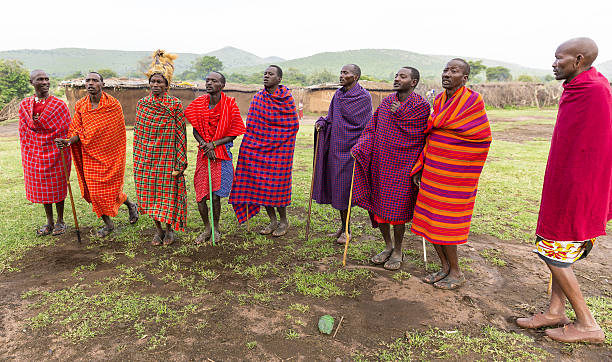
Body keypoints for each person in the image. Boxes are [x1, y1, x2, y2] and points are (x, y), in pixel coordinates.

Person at [516, 37, 610, 344]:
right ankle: (556, 311)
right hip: (565, 181)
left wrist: (581, 188)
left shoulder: (595, 91)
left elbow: (598, 148)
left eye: (560, 58)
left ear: (579, 59)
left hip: (579, 186)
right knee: (558, 247)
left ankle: (588, 324)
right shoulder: (579, 87)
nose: (554, 63)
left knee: (554, 252)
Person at [411, 59, 491, 289]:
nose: (447, 74)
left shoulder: (472, 100)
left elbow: (481, 136)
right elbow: (433, 133)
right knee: (430, 221)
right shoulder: (439, 99)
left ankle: (456, 272)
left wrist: (452, 155)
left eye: (453, 71)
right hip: (434, 170)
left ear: (464, 78)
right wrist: (422, 165)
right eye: (445, 70)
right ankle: (444, 267)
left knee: (446, 222)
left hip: (455, 175)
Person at [352, 67, 430, 270]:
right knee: (379, 208)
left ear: (413, 82)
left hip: (404, 166)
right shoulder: (386, 103)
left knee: (397, 211)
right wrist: (361, 147)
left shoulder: (421, 106)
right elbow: (372, 128)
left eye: (402, 76)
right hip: (381, 164)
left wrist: (402, 113)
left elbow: (421, 134)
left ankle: (398, 250)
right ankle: (387, 246)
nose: (396, 79)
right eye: (396, 75)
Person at [229, 65, 299, 236]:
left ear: (279, 79)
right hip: (258, 150)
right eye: (265, 74)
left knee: (278, 186)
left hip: (280, 151)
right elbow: (252, 126)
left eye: (271, 74)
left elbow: (293, 126)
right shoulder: (258, 98)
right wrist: (249, 147)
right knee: (262, 185)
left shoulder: (286, 99)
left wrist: (276, 142)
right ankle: (272, 221)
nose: (266, 76)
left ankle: (283, 221)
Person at [133, 50, 188, 246]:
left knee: (167, 194)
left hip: (168, 158)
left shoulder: (174, 104)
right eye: (153, 82)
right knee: (150, 194)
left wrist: (180, 160)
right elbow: (139, 134)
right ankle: (158, 230)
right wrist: (138, 159)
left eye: (160, 82)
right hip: (147, 158)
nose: (156, 85)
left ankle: (169, 230)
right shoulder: (143, 104)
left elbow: (181, 133)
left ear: (167, 85)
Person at [184, 71, 246, 244]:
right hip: (204, 153)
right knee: (201, 195)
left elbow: (233, 133)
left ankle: (216, 227)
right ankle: (207, 228)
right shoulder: (198, 104)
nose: (209, 83)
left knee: (216, 194)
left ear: (222, 85)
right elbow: (195, 129)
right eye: (207, 80)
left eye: (214, 81)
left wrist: (215, 144)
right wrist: (205, 145)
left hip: (221, 152)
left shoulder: (229, 105)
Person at [313, 64, 372, 244]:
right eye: (340, 72)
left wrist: (359, 146)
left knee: (346, 190)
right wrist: (322, 123)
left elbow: (366, 126)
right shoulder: (338, 94)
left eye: (345, 73)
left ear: (355, 77)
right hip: (336, 148)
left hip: (353, 150)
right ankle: (343, 227)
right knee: (337, 189)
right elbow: (331, 118)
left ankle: (347, 230)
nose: (341, 75)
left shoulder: (364, 97)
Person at [19, 70, 71, 236]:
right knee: (43, 187)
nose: (44, 82)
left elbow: (66, 129)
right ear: (31, 82)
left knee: (58, 185)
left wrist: (62, 143)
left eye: (47, 79)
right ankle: (49, 222)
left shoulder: (59, 105)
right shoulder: (25, 105)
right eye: (40, 79)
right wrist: (32, 149)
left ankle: (60, 221)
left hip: (56, 152)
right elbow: (24, 132)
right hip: (34, 152)